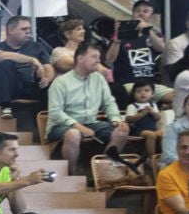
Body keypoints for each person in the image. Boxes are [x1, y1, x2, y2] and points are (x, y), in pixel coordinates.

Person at [47, 42, 131, 173]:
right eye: (94, 57)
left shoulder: (99, 79)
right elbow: (55, 113)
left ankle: (103, 172)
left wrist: (116, 119)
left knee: (122, 131)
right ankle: (71, 174)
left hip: (91, 123)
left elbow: (109, 102)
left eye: (98, 57)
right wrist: (78, 126)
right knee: (74, 134)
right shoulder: (61, 82)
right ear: (80, 59)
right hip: (61, 126)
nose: (98, 61)